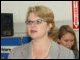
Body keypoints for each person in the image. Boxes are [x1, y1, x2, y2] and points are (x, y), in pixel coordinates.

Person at [8, 6, 74, 59]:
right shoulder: (15, 53)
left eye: (38, 21)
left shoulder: (66, 54)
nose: (32, 25)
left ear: (49, 25)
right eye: (29, 22)